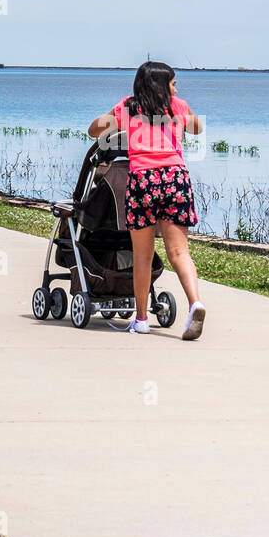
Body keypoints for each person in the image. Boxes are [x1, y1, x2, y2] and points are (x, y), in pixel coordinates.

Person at [87, 61, 206, 341]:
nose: (177, 89)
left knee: (142, 255)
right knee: (180, 252)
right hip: (176, 178)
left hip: (143, 181)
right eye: (174, 84)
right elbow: (197, 129)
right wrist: (177, 110)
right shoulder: (177, 106)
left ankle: (141, 320)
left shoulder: (128, 107)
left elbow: (94, 130)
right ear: (164, 86)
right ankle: (195, 303)